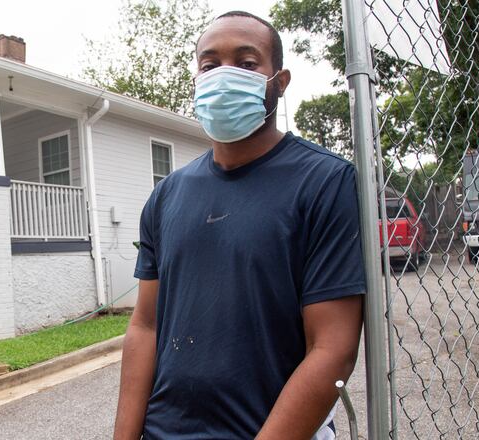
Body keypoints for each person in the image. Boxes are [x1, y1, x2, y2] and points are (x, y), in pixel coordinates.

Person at [113, 11, 366, 440]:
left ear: (279, 82)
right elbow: (145, 326)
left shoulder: (324, 181)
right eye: (210, 65)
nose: (224, 75)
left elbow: (332, 349)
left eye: (247, 63)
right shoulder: (166, 195)